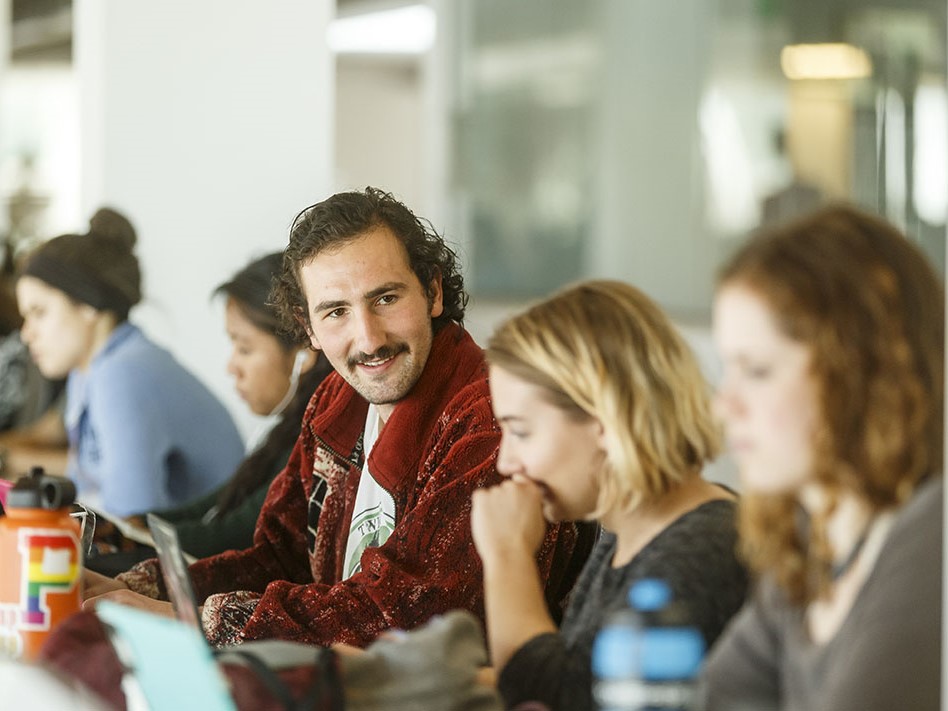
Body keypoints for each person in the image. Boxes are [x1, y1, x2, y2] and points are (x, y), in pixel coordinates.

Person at [81, 187, 592, 650]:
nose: (368, 339)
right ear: (308, 327)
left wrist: (190, 620)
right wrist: (137, 587)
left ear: (433, 293)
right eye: (336, 312)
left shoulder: (487, 420)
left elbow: (411, 615)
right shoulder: (333, 400)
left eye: (385, 299)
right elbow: (279, 557)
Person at [701, 204, 943, 711]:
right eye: (729, 368)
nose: (726, 404)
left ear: (861, 373)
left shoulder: (933, 535)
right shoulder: (813, 537)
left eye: (759, 370)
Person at [471, 279, 749, 711]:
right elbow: (586, 673)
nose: (506, 462)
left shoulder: (704, 549)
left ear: (603, 419)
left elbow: (556, 700)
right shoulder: (627, 533)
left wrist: (507, 555)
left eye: (521, 431)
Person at [85, 252, 334, 574]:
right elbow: (219, 502)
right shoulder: (287, 431)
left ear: (304, 352)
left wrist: (134, 533)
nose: (232, 367)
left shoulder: (320, 436)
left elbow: (236, 532)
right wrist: (139, 524)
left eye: (244, 348)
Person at [14, 207, 244, 516]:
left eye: (39, 313)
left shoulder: (122, 374)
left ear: (88, 306)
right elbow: (86, 476)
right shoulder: (93, 369)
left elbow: (129, 519)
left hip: (206, 558)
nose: (27, 334)